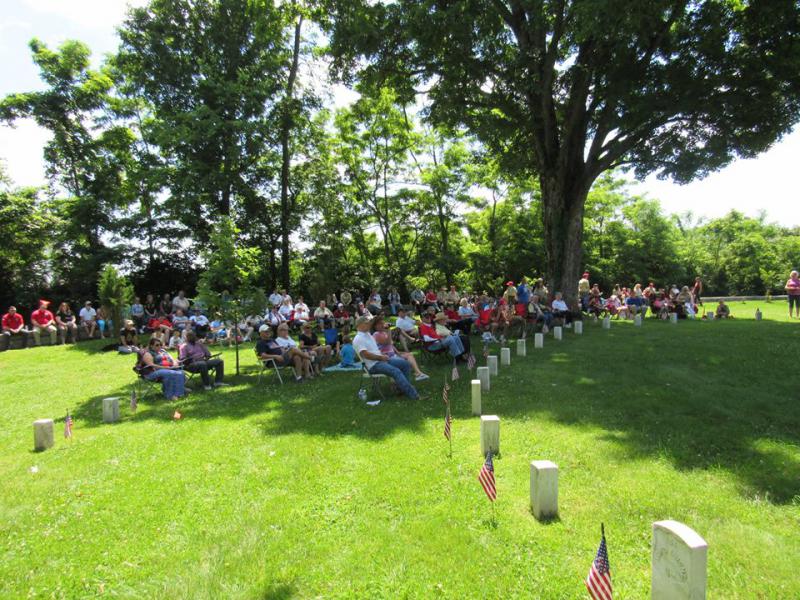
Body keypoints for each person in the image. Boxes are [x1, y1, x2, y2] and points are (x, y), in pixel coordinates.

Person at [352, 315, 420, 400]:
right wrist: (381, 358)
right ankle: (414, 395)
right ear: (360, 325)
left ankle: (402, 388)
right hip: (373, 365)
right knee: (396, 371)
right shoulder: (358, 338)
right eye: (367, 323)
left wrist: (383, 356)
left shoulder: (367, 334)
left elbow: (376, 348)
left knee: (405, 364)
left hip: (380, 360)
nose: (369, 325)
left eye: (369, 323)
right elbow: (366, 355)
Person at [372, 317, 429, 381]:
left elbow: (391, 345)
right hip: (386, 357)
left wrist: (398, 352)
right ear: (375, 326)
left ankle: (418, 373)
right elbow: (387, 342)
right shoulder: (376, 334)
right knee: (404, 361)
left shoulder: (383, 333)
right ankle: (402, 381)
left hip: (392, 354)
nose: (383, 324)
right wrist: (388, 331)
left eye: (383, 323)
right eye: (380, 323)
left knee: (409, 355)